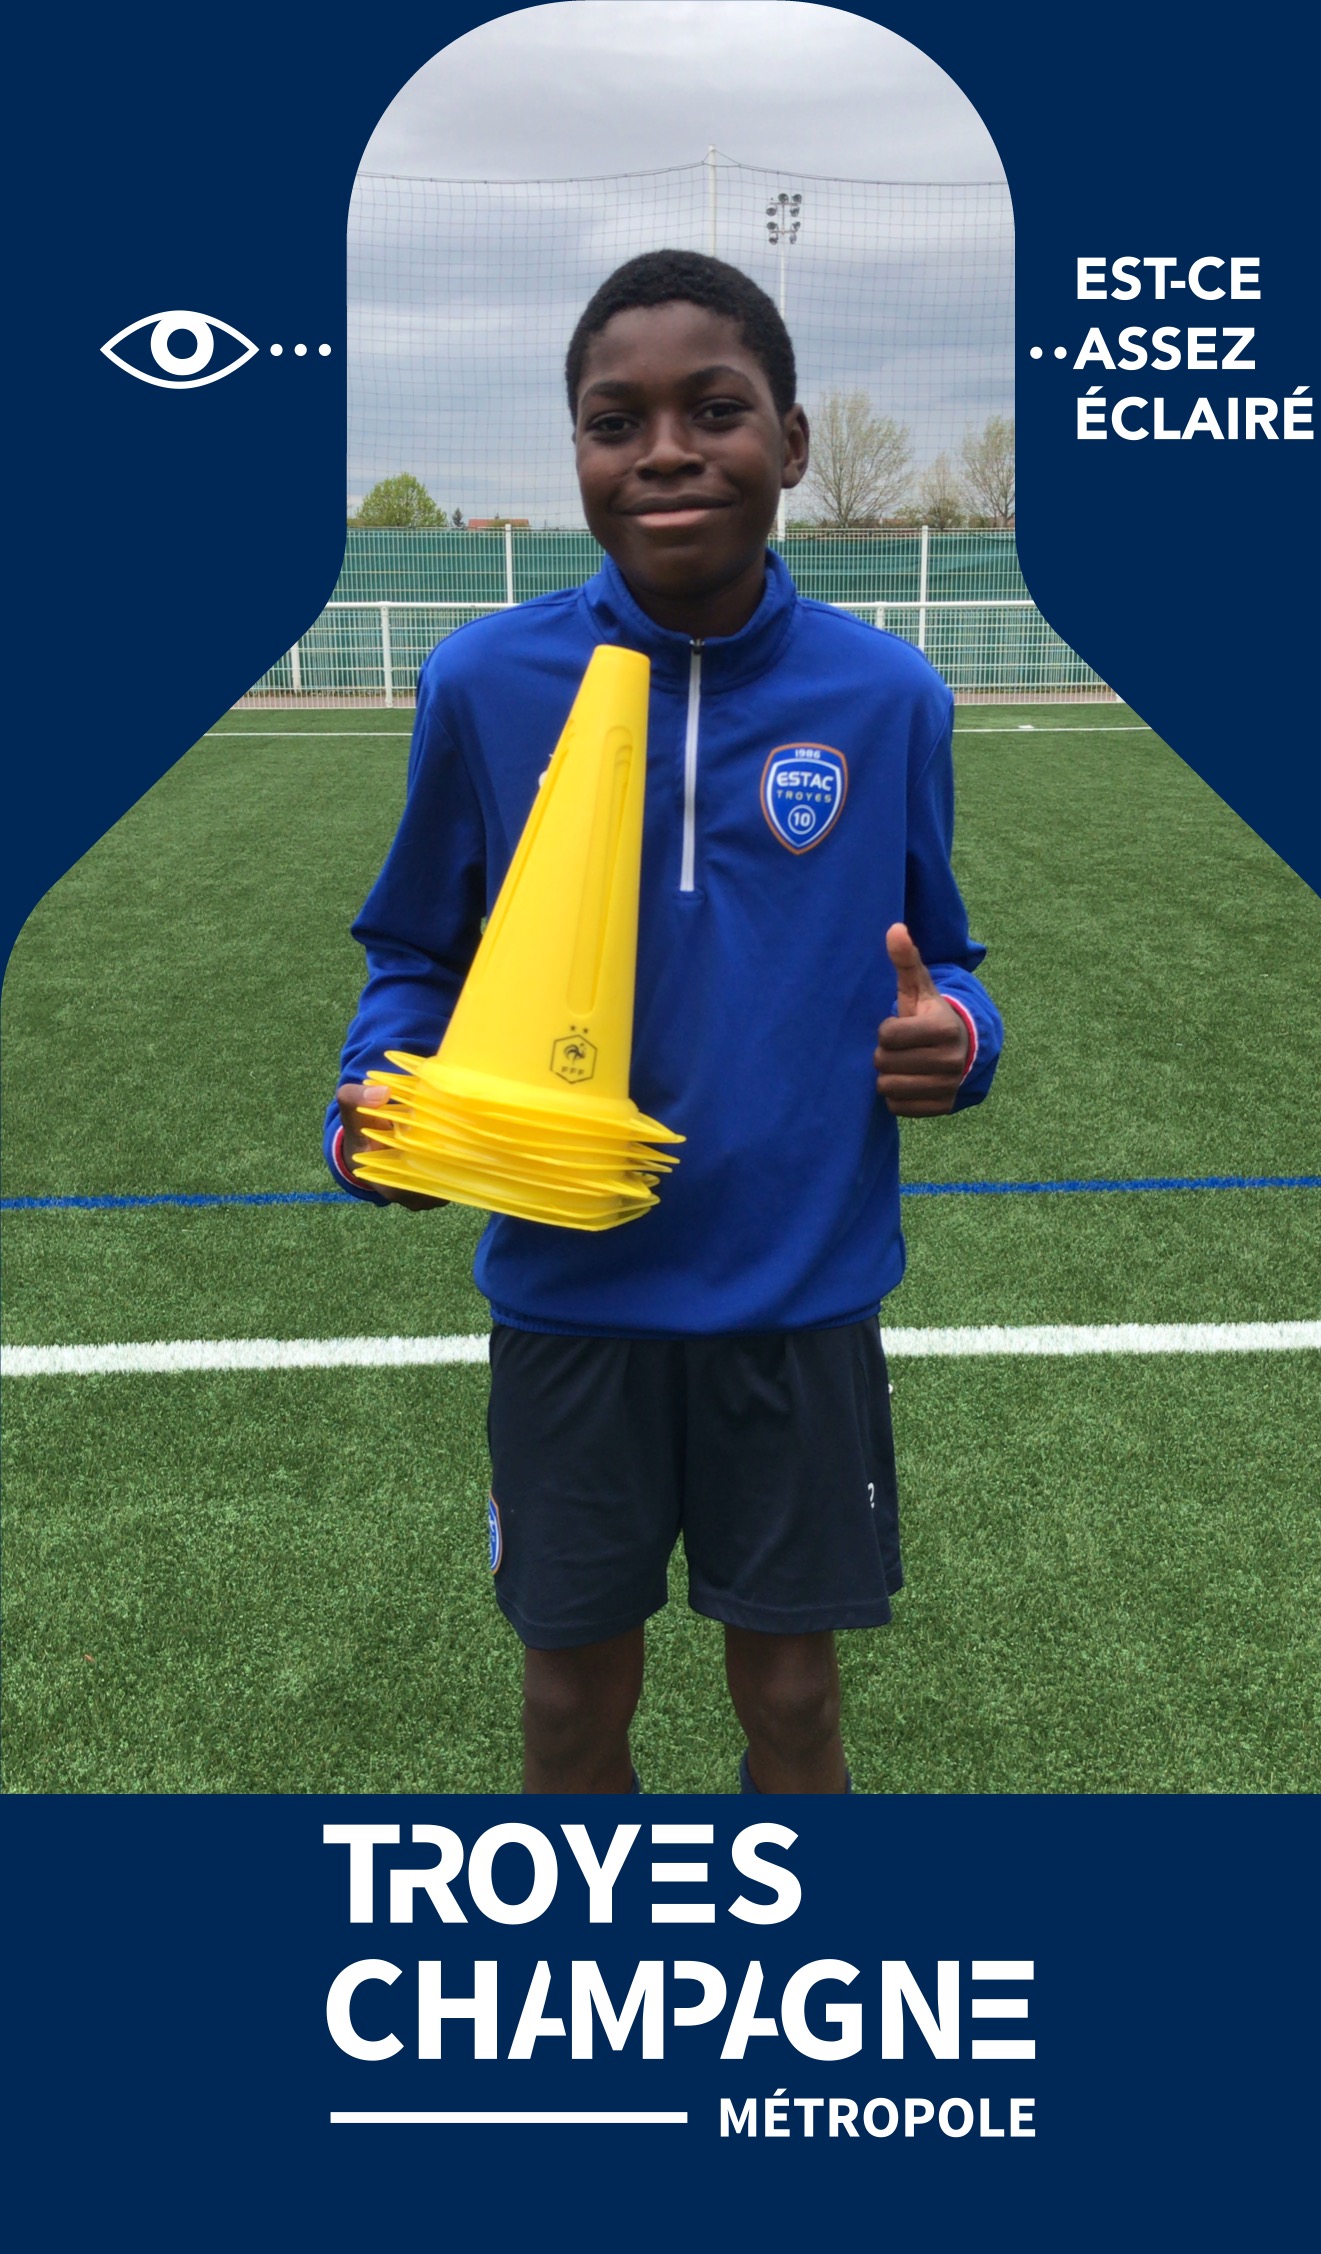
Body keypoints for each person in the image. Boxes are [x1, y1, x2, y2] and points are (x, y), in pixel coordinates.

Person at [324, 250, 1002, 1795]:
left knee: (795, 1703)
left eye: (715, 409)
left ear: (792, 441)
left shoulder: (888, 697)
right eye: (613, 421)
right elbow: (413, 951)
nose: (666, 452)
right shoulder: (482, 681)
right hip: (571, 1296)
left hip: (796, 1294)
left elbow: (947, 958)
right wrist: (382, 1107)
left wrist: (957, 1038)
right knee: (569, 1703)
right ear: (575, 451)